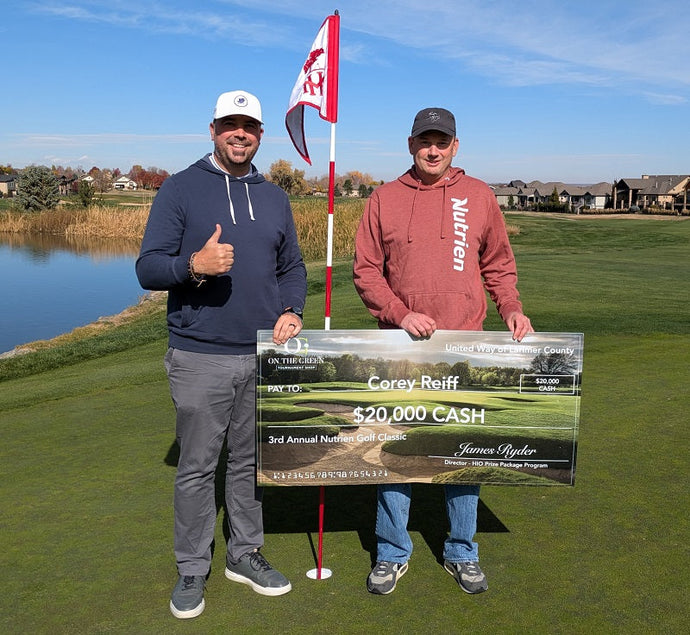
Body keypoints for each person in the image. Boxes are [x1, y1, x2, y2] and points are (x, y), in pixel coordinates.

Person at [136, 90, 307, 619]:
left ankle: (245, 554)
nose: (240, 134)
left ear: (260, 134)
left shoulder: (275, 197)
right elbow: (147, 268)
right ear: (212, 129)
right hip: (200, 353)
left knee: (249, 464)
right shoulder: (180, 189)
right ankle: (191, 569)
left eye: (249, 126)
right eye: (230, 125)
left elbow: (291, 269)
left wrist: (293, 310)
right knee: (196, 467)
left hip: (262, 352)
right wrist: (194, 264)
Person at [353, 107, 533, 596]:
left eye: (442, 141)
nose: (433, 149)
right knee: (394, 453)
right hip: (401, 348)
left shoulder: (478, 196)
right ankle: (391, 553)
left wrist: (511, 309)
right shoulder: (384, 198)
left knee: (462, 454)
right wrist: (398, 311)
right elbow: (366, 271)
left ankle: (462, 551)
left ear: (456, 146)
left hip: (464, 347)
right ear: (410, 144)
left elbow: (498, 265)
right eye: (424, 140)